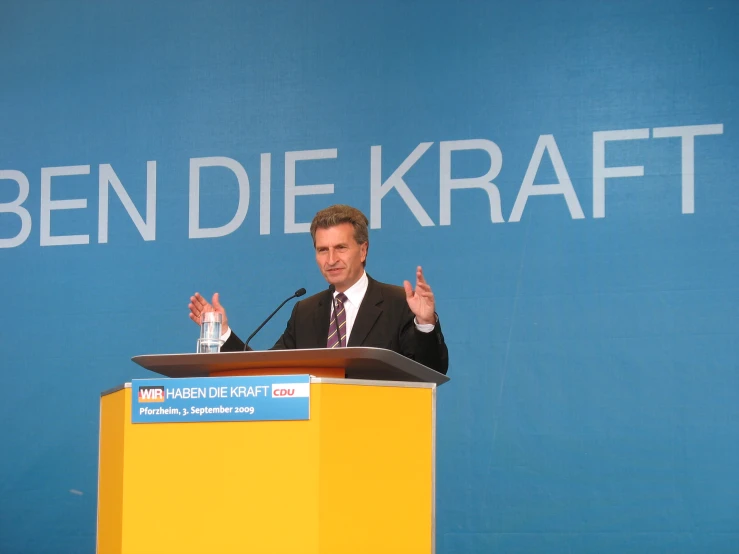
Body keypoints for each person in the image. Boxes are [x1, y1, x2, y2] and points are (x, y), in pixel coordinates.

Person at [188, 204, 448, 374]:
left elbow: (431, 370)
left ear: (363, 250)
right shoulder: (305, 311)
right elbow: (266, 371)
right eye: (323, 250)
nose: (331, 259)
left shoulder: (397, 302)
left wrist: (424, 324)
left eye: (341, 248)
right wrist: (222, 334)